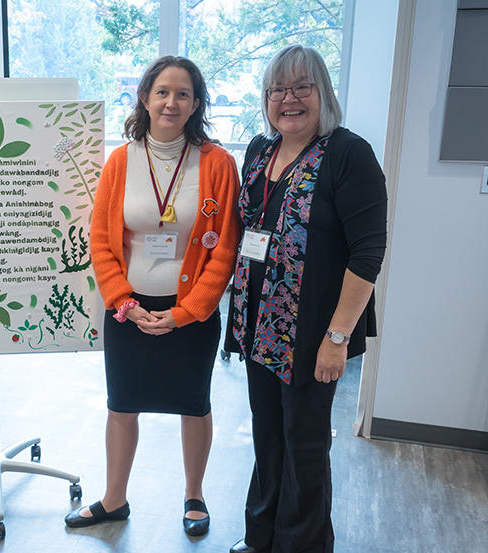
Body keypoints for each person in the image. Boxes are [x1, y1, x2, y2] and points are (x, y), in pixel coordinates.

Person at [64, 56, 240, 536]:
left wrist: (187, 313)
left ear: (196, 104)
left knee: (193, 403)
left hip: (192, 313)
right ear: (144, 97)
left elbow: (224, 247)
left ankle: (194, 494)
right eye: (162, 91)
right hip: (129, 311)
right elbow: (100, 239)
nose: (171, 101)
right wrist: (123, 301)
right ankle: (114, 499)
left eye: (183, 93)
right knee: (122, 404)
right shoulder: (121, 160)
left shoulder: (219, 163)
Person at [223, 45, 387, 553]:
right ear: (266, 99)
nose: (288, 99)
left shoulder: (347, 153)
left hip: (314, 330)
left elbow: (368, 252)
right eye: (277, 90)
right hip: (259, 325)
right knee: (267, 436)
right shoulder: (258, 150)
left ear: (323, 93)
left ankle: (303, 545)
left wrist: (337, 338)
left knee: (306, 446)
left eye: (301, 88)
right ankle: (260, 537)